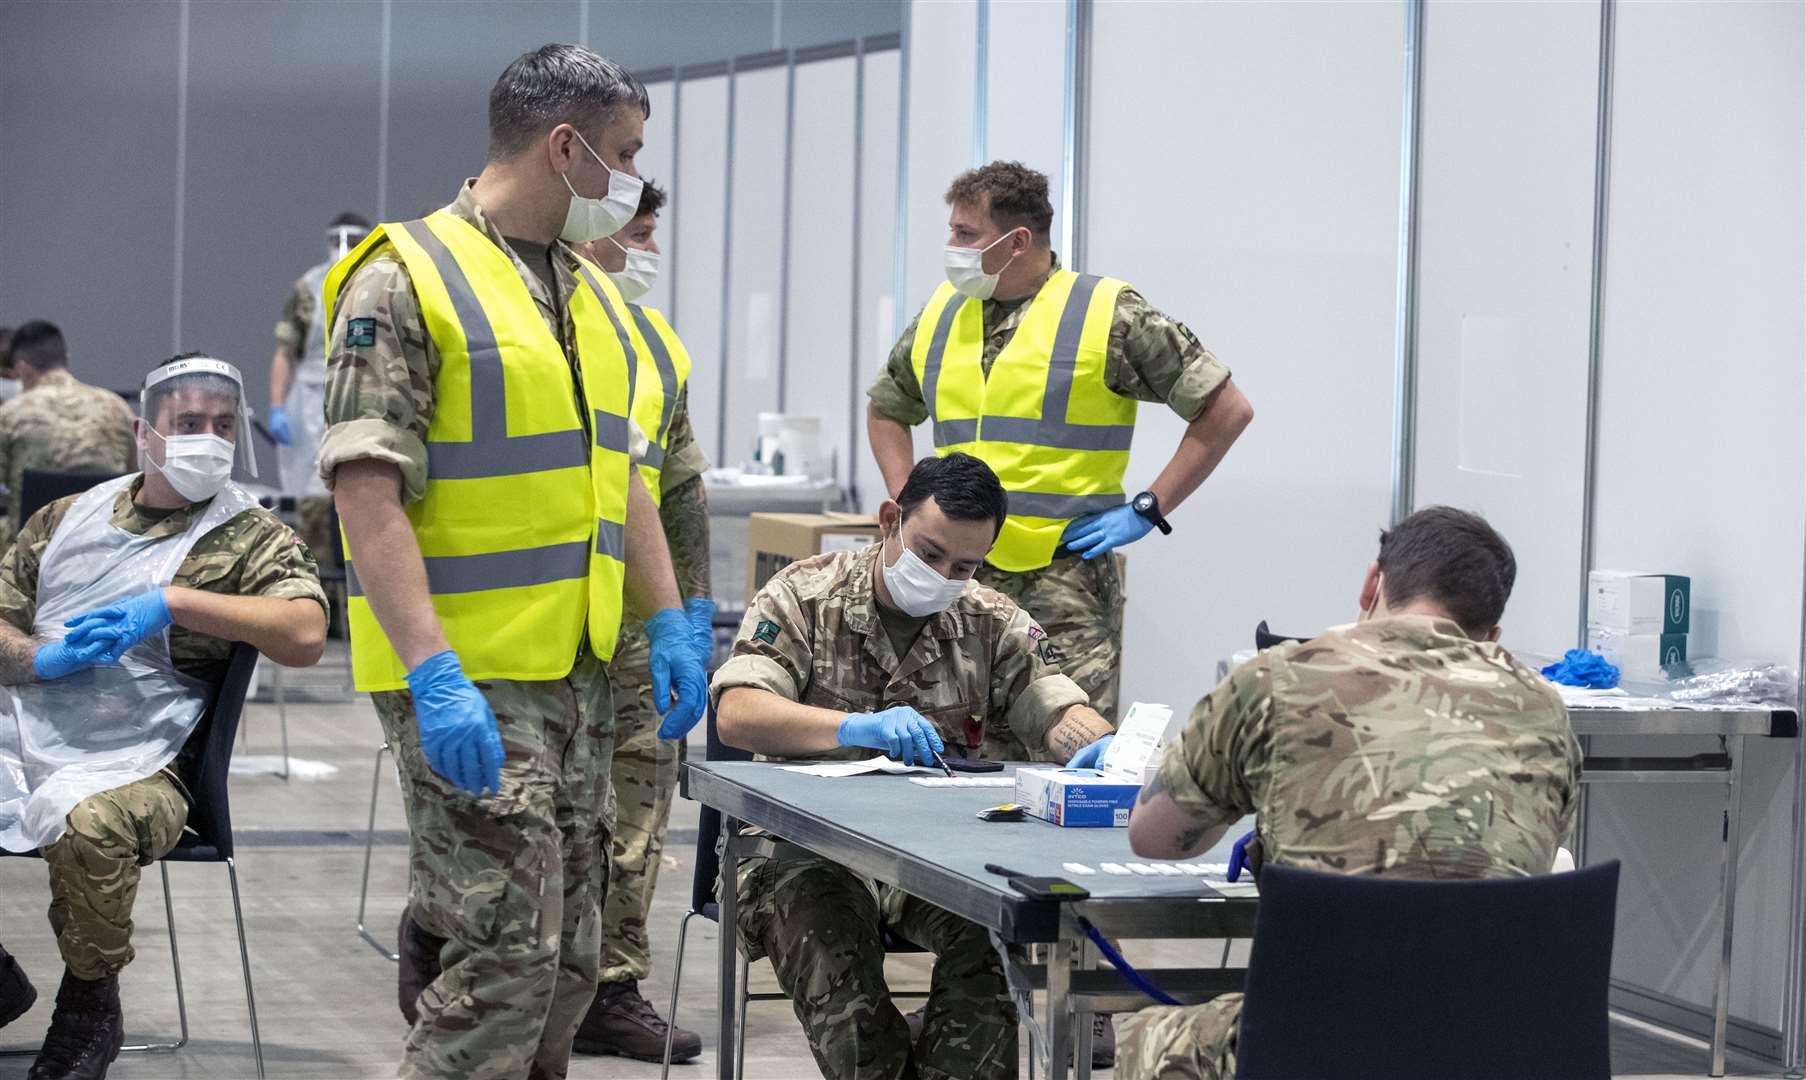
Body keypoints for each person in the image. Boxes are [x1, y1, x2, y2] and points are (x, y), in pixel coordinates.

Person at [318, 43, 709, 1080]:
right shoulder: (407, 277)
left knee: (570, 964)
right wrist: (432, 674)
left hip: (573, 673)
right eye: (622, 156)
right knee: (503, 960)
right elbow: (366, 489)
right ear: (564, 146)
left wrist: (667, 619)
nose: (629, 183)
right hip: (467, 674)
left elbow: (619, 471)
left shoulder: (585, 291)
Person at [1113, 506, 1582, 1080]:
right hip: (1497, 1044)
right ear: (1491, 637)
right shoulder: (1544, 710)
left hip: (1319, 1039)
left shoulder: (1275, 679)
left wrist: (1241, 794)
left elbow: (1155, 837)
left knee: (1146, 1034)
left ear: (1371, 582)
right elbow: (1537, 857)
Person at [711, 452, 1117, 1080]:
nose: (943, 576)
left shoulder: (987, 619)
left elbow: (1053, 702)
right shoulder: (804, 595)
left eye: (964, 565)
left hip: (936, 859)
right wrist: (849, 728)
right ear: (888, 521)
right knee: (839, 973)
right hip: (805, 852)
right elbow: (737, 711)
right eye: (928, 554)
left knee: (998, 941)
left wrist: (1098, 744)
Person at [0, 353, 327, 1080]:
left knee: (92, 823)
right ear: (146, 434)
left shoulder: (248, 533)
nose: (205, 438)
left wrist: (173, 603)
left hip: (149, 759)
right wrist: (38, 659)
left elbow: (305, 633)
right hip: (30, 726)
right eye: (186, 424)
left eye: (220, 424)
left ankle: (89, 1007)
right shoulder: (66, 519)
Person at [866, 161, 1254, 730]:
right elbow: (886, 409)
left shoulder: (1107, 313)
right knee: (948, 746)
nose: (951, 246)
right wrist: (911, 505)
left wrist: (1149, 507)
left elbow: (1225, 409)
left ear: (1017, 241)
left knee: (1067, 752)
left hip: (1063, 583)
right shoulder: (942, 315)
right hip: (957, 579)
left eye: (965, 234)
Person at [566, 179, 713, 1062]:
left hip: (638, 621)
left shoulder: (657, 342)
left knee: (639, 801)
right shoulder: (539, 325)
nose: (648, 250)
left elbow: (680, 484)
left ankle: (611, 988)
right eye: (638, 231)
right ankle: (532, 968)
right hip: (546, 607)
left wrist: (689, 610)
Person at [269, 212, 371, 566]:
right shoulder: (308, 289)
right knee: (312, 508)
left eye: (354, 242)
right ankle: (316, 601)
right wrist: (278, 408)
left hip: (361, 396)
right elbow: (285, 352)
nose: (343, 251)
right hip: (311, 400)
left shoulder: (380, 283)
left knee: (363, 505)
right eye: (338, 242)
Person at [0, 321, 137, 556]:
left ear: (22, 368)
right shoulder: (117, 407)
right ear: (66, 359)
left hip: (30, 554)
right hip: (105, 549)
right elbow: (136, 478)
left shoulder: (10, 415)